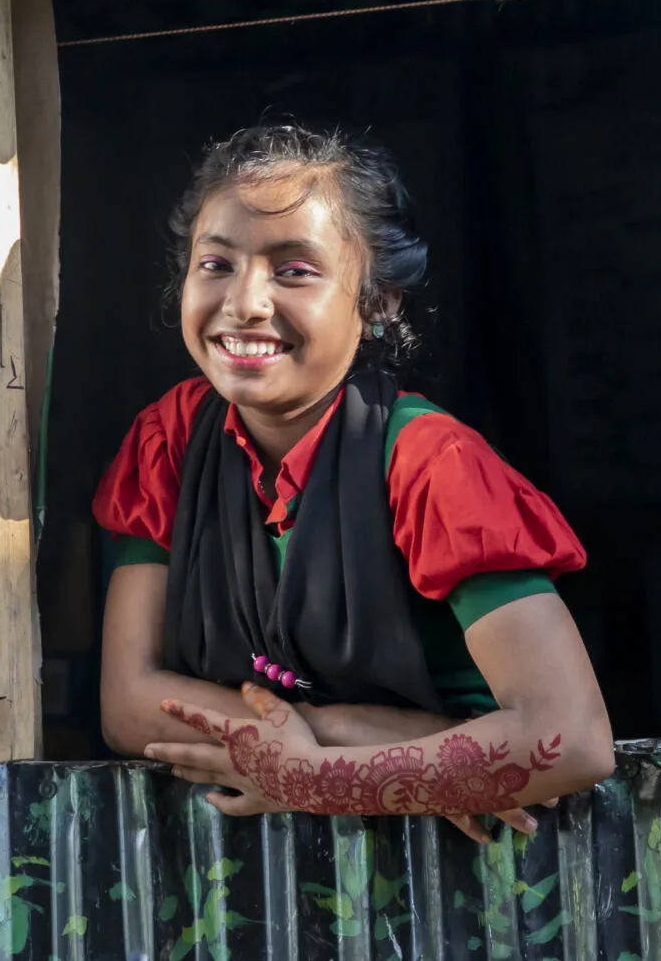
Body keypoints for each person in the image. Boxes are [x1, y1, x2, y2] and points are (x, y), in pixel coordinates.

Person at [96, 124, 615, 840]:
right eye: (216, 263)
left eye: (295, 271)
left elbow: (572, 740)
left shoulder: (432, 463)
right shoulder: (172, 440)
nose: (245, 302)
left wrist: (311, 775)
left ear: (379, 303)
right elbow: (129, 702)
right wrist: (401, 743)